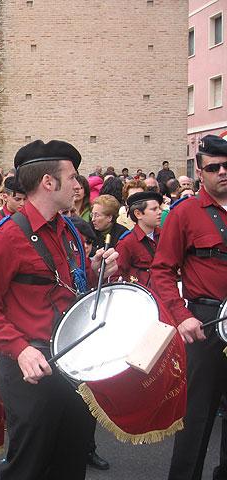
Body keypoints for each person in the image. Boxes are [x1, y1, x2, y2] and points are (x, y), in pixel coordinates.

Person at [0, 139, 118, 480]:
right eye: (73, 177)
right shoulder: (4, 237)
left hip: (73, 363)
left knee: (70, 460)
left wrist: (97, 270)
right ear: (49, 183)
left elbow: (70, 286)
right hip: (30, 369)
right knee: (29, 466)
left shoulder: (69, 230)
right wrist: (20, 350)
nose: (78, 185)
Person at [150, 135, 227, 480]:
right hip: (205, 322)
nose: (222, 172)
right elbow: (162, 272)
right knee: (197, 417)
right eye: (214, 167)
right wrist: (183, 317)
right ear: (199, 170)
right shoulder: (183, 214)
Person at [114, 191, 162, 286]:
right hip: (141, 295)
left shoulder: (165, 235)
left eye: (159, 208)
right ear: (138, 214)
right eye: (154, 209)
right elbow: (117, 277)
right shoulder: (127, 242)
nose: (160, 212)